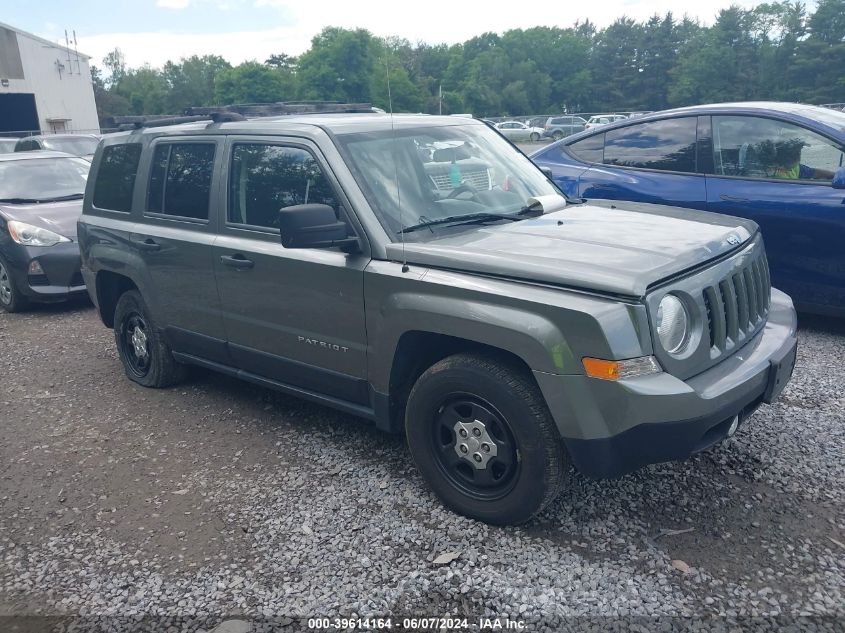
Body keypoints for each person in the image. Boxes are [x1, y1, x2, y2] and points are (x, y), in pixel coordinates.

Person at [765, 137, 835, 181]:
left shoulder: (794, 167)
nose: (798, 155)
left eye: (799, 151)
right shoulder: (768, 172)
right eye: (795, 152)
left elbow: (814, 172)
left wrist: (836, 175)